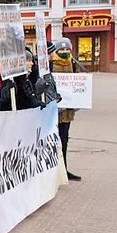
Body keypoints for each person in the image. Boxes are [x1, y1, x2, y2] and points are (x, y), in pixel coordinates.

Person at [49, 38, 82, 181]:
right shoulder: (50, 64)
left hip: (67, 111)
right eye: (61, 49)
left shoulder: (74, 64)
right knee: (52, 141)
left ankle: (64, 170)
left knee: (64, 140)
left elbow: (79, 83)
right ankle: (52, 171)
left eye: (67, 49)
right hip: (53, 111)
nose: (64, 52)